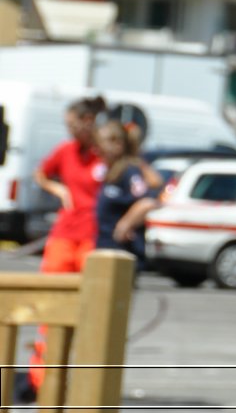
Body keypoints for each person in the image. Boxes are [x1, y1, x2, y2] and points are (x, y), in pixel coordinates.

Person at [26, 94, 108, 399]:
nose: (69, 130)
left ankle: (83, 381)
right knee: (50, 308)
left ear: (87, 122)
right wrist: (57, 188)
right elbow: (41, 172)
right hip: (63, 236)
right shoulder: (65, 151)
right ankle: (40, 380)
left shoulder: (104, 152)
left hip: (92, 238)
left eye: (71, 124)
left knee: (88, 311)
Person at [94, 118, 162, 261]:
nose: (97, 148)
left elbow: (147, 201)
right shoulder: (112, 171)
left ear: (118, 145)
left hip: (121, 253)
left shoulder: (129, 171)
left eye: (101, 142)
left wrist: (126, 224)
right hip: (106, 250)